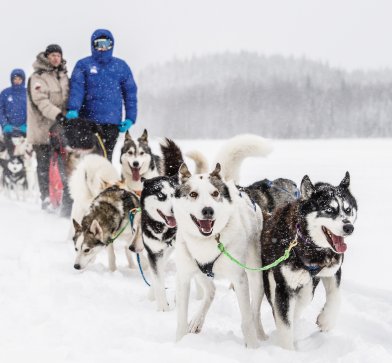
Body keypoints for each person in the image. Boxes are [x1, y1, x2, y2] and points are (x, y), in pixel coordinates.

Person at [66, 29, 138, 161]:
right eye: (99, 44)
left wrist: (130, 118)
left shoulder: (121, 66)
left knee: (106, 157)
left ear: (112, 45)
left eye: (106, 44)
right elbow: (77, 89)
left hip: (112, 122)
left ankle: (106, 181)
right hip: (88, 122)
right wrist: (73, 109)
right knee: (89, 158)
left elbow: (130, 94)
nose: (103, 48)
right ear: (93, 45)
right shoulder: (83, 65)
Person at [26, 44, 71, 215]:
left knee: (62, 165)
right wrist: (59, 115)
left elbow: (68, 98)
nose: (55, 58)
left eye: (58, 55)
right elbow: (41, 101)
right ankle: (45, 196)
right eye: (52, 55)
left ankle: (60, 196)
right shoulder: (38, 77)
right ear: (46, 57)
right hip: (42, 129)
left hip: (60, 129)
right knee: (44, 164)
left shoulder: (64, 76)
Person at [0, 69, 27, 154]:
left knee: (25, 155)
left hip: (25, 131)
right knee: (9, 155)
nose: (17, 81)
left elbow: (32, 111)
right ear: (12, 79)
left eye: (19, 79)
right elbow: (1, 110)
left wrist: (27, 125)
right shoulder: (5, 93)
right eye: (15, 79)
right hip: (8, 130)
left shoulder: (28, 93)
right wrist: (5, 124)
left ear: (23, 80)